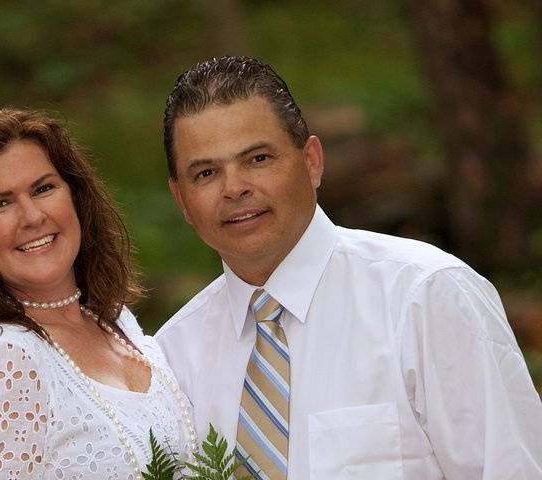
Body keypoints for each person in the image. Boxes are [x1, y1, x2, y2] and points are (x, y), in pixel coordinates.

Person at [155, 56, 542, 479]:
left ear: (312, 161)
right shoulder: (172, 357)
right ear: (181, 200)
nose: (235, 188)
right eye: (206, 172)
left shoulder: (426, 297)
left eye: (258, 159)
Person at [0, 108, 197, 480]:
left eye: (43, 188)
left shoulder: (116, 322)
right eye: (0, 203)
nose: (31, 216)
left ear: (75, 196)